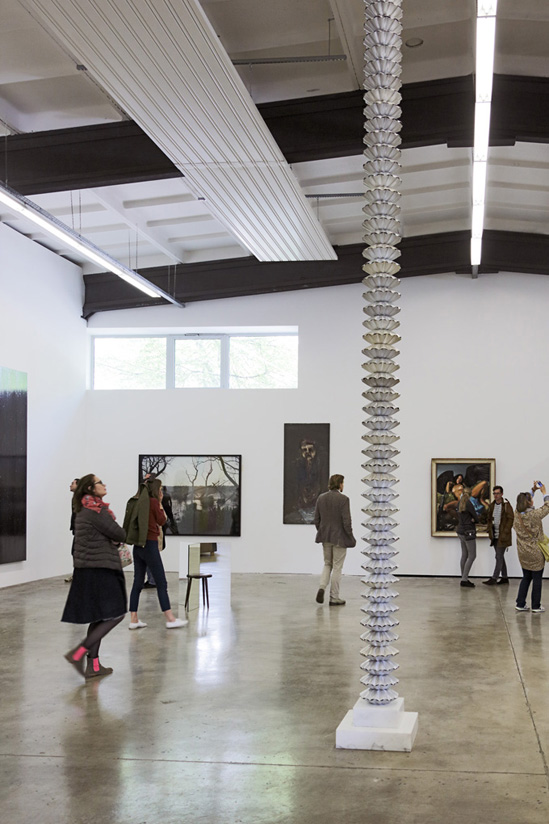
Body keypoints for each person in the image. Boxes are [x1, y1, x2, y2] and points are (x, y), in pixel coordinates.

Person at [62, 475, 127, 679]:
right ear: (90, 488)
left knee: (99, 617)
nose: (104, 484)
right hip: (100, 569)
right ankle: (78, 653)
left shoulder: (84, 509)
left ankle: (93, 666)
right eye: (100, 482)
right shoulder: (96, 510)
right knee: (116, 614)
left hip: (88, 569)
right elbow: (120, 534)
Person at [127, 477, 187, 629]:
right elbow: (162, 521)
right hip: (150, 545)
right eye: (160, 489)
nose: (161, 492)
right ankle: (170, 619)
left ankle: (133, 619)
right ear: (156, 490)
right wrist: (160, 503)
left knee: (137, 583)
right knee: (161, 582)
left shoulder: (139, 501)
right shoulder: (153, 502)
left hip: (138, 546)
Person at [314, 474, 356, 606]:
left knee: (327, 564)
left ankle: (322, 587)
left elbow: (316, 520)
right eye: (343, 483)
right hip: (339, 538)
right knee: (337, 567)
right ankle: (334, 597)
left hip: (325, 537)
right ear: (339, 484)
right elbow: (346, 522)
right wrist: (350, 536)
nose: (343, 485)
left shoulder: (321, 498)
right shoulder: (344, 499)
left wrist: (322, 531)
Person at [513, 481, 549, 613]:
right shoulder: (534, 515)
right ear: (529, 502)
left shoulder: (517, 514)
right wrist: (544, 492)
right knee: (537, 578)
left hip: (522, 552)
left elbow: (524, 501)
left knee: (526, 577)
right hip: (535, 552)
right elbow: (547, 506)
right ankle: (536, 605)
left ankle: (520, 603)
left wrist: (533, 490)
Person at [483, 485, 514, 585]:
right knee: (500, 557)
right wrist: (489, 529)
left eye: (497, 493)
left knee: (498, 556)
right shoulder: (492, 505)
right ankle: (505, 577)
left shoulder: (506, 505)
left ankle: (494, 578)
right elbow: (489, 518)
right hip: (494, 536)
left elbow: (511, 519)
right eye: (494, 493)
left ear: (502, 494)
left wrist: (505, 531)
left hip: (503, 536)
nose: (496, 495)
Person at [457, 489, 478, 587]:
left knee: (464, 555)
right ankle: (464, 579)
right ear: (470, 495)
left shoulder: (459, 503)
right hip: (468, 532)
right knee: (472, 555)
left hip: (460, 531)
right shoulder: (469, 503)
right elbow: (476, 517)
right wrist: (473, 520)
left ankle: (463, 577)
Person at [64, 478, 80, 583]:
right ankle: (76, 574)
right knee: (74, 552)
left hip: (80, 530)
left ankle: (77, 575)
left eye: (72, 483)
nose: (70, 485)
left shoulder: (80, 498)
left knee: (76, 552)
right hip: (77, 529)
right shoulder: (75, 497)